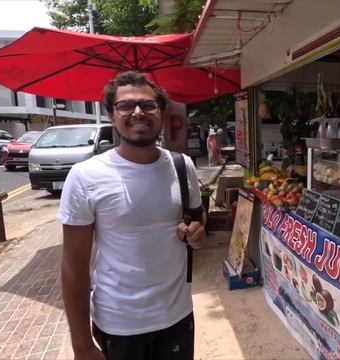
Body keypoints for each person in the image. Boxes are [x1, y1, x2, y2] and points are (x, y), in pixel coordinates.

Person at [59, 71, 206, 360]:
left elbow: (198, 218)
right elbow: (73, 268)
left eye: (148, 105)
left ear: (161, 113)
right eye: (125, 106)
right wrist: (82, 345)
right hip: (119, 324)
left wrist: (197, 234)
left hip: (177, 316)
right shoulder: (86, 176)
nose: (138, 112)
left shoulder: (182, 165)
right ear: (113, 115)